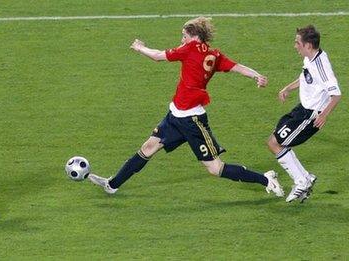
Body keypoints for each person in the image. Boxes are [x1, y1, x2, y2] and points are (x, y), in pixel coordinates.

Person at [88, 17, 284, 197]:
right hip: (175, 116)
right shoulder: (213, 54)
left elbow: (157, 56)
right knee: (148, 147)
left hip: (192, 121)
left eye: (184, 36)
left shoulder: (190, 49)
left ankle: (266, 179)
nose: (181, 40)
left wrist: (140, 48)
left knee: (215, 168)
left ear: (195, 37)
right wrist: (257, 75)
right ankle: (112, 185)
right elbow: (237, 67)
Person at [267, 25, 341, 203]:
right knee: (274, 141)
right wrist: (288, 88)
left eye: (297, 43)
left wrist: (323, 115)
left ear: (308, 45)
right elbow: (305, 77)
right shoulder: (311, 58)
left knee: (274, 143)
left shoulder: (322, 66)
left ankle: (301, 181)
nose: (295, 46)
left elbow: (336, 94)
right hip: (301, 109)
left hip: (309, 116)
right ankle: (305, 178)